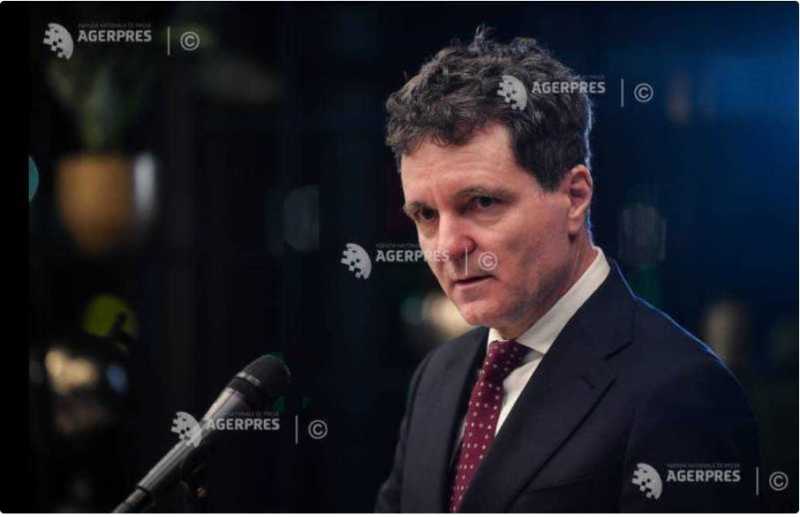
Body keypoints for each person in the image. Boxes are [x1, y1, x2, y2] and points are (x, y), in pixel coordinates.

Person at [374, 26, 760, 513]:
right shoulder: (438, 375)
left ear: (575, 197)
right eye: (426, 215)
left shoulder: (681, 390)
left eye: (482, 202)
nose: (449, 247)